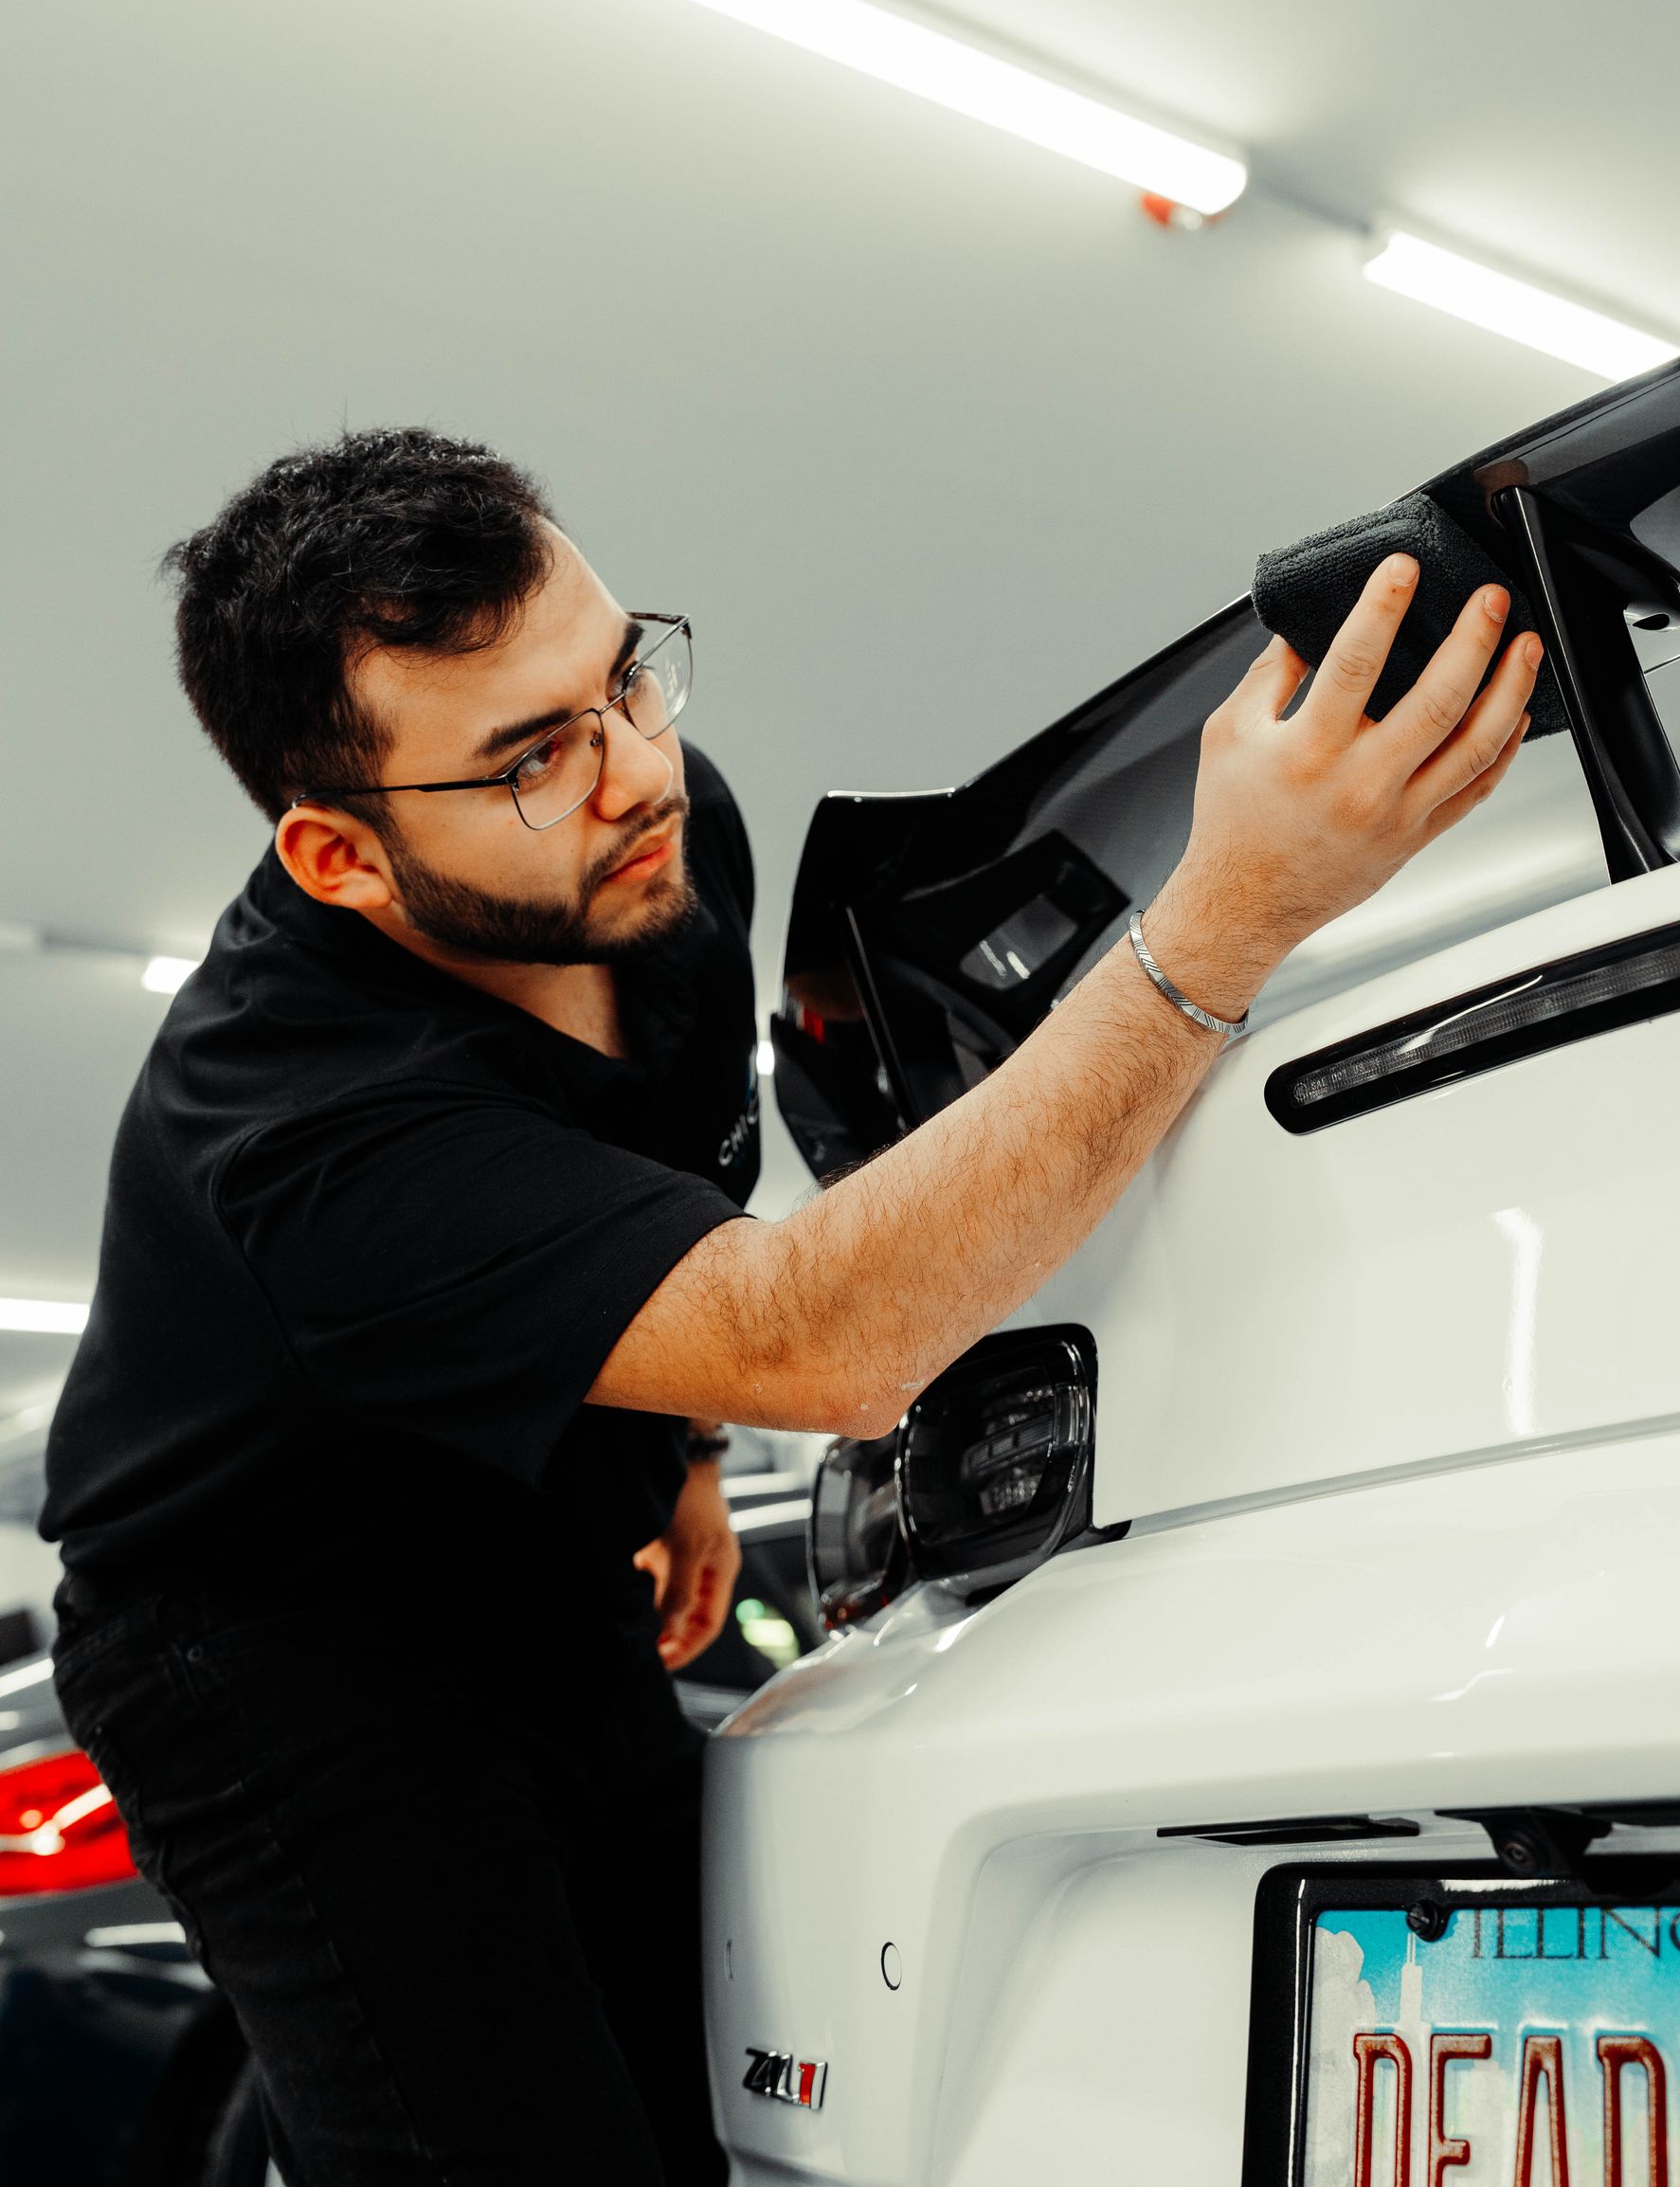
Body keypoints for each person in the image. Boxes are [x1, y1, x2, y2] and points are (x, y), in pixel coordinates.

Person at [42, 425, 1539, 2185]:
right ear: (341, 859)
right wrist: (1227, 917)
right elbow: (813, 1336)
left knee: (708, 2118)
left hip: (541, 1570)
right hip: (281, 1660)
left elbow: (667, 1199)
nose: (633, 776)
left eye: (624, 680)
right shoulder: (305, 1119)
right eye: (531, 758)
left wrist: (670, 1449)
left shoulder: (657, 854)